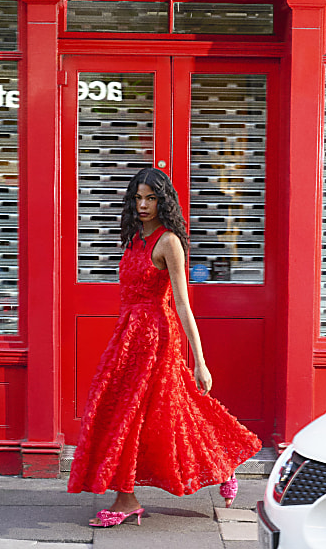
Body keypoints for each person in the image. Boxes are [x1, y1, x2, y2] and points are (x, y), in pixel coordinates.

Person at [67, 167, 262, 527]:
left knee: (133, 414)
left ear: (163, 200)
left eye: (151, 198)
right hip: (128, 336)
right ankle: (221, 465)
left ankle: (126, 499)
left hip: (156, 336)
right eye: (138, 197)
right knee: (162, 412)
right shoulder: (134, 236)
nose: (143, 204)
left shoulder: (169, 242)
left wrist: (200, 362)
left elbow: (183, 303)